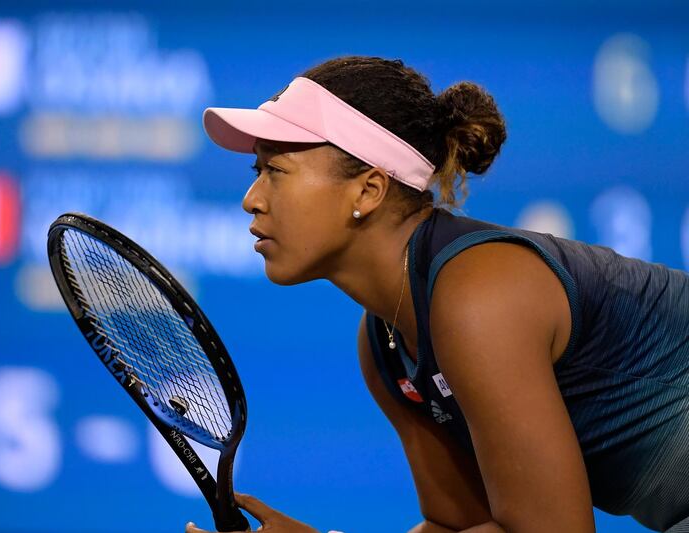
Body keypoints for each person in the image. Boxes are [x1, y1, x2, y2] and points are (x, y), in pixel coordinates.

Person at [188, 55, 689, 533]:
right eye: (257, 172)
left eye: (276, 171)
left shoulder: (478, 299)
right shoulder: (384, 341)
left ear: (368, 190)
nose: (251, 199)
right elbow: (460, 524)